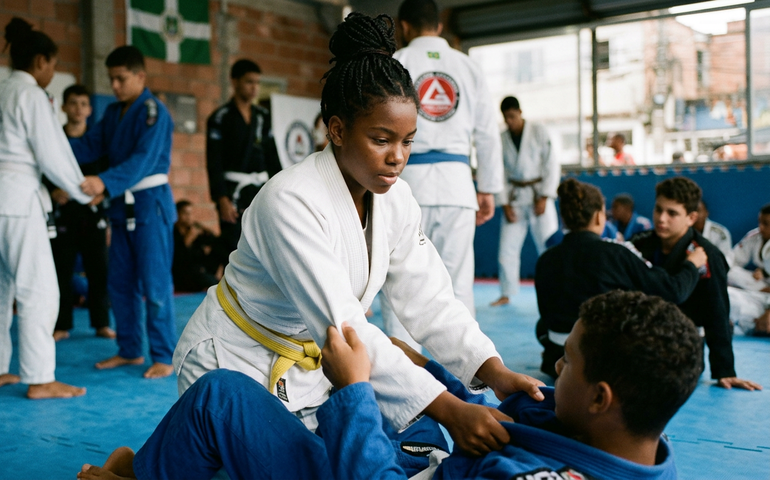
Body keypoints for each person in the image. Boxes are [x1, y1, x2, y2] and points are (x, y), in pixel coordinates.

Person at [171, 12, 543, 454]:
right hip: (237, 361)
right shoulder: (289, 200)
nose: (397, 157)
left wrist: (492, 369)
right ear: (338, 130)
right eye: (382, 139)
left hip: (314, 370)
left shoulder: (398, 199)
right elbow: (347, 327)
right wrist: (449, 408)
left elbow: (432, 300)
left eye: (408, 141)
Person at [78, 290, 702, 480]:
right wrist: (427, 374)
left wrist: (355, 389)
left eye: (567, 364)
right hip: (422, 457)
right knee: (384, 399)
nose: (553, 370)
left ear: (601, 398)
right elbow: (496, 409)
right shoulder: (625, 440)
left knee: (222, 398)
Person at [380, 0, 503, 347]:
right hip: (457, 186)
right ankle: (471, 375)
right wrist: (488, 189)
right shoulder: (467, 66)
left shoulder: (398, 62)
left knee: (399, 282)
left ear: (404, 26)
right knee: (458, 284)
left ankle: (402, 376)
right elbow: (487, 133)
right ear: (438, 25)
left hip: (404, 183)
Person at [69, 46, 177, 379]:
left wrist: (102, 181)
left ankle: (163, 354)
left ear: (140, 76)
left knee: (155, 286)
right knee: (120, 283)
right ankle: (130, 350)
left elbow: (142, 161)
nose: (114, 86)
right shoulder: (113, 113)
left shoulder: (153, 112)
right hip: (121, 208)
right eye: (111, 79)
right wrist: (49, 142)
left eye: (121, 78)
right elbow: (88, 147)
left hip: (150, 206)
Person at [0, 17, 92, 398]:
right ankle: (40, 378)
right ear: (40, 61)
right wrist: (84, 190)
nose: (52, 73)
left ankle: (1, 368)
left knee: (1, 288)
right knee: (38, 289)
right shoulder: (30, 95)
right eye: (52, 65)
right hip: (18, 198)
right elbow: (52, 152)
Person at [535, 178, 705, 377]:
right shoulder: (616, 253)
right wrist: (692, 265)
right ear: (600, 217)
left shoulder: (545, 260)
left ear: (564, 218)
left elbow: (545, 317)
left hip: (557, 356)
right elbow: (673, 291)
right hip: (603, 362)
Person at [631, 177, 761, 389]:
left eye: (672, 213)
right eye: (658, 210)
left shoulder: (708, 255)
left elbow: (717, 312)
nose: (661, 219)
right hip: (644, 334)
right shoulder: (640, 244)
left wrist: (724, 370)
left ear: (691, 217)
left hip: (683, 340)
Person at [45, 84, 114, 342]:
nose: (78, 109)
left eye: (84, 104)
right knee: (61, 270)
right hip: (64, 214)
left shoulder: (97, 141)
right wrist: (53, 191)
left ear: (90, 108)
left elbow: (107, 177)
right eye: (73, 103)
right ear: (63, 107)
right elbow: (44, 171)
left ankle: (101, 323)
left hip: (92, 213)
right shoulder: (53, 140)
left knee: (99, 270)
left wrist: (101, 194)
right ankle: (62, 324)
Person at [206, 59, 281, 254]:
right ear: (235, 81)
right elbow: (214, 162)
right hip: (233, 193)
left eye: (257, 82)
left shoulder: (263, 116)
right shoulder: (220, 117)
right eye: (249, 82)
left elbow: (273, 157)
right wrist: (221, 199)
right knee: (234, 248)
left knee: (266, 247)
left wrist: (281, 191)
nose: (254, 87)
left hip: (260, 189)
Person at [492, 96, 559, 306]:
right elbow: (498, 172)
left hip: (539, 194)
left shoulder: (539, 131)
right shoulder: (502, 139)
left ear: (520, 112)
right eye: (506, 117)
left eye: (512, 116)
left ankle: (556, 289)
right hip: (515, 197)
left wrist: (546, 196)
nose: (509, 121)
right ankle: (506, 292)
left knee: (549, 246)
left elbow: (551, 163)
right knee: (506, 250)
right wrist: (504, 204)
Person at [726, 204, 770, 335]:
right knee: (730, 278)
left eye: (766, 224)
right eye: (760, 222)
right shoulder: (754, 236)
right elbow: (733, 259)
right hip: (759, 289)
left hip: (766, 292)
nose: (761, 227)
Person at [172, 200, 226, 293]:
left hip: (200, 269)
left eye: (190, 214)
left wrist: (207, 232)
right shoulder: (172, 233)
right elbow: (178, 260)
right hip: (183, 275)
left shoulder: (194, 229)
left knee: (221, 247)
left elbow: (216, 242)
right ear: (176, 214)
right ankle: (217, 285)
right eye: (185, 213)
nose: (188, 217)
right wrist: (187, 240)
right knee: (207, 280)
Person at [693, 199, 733, 265]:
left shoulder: (720, 233)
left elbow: (726, 259)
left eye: (698, 211)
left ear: (706, 213)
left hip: (714, 269)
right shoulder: (682, 230)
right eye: (691, 211)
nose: (695, 215)